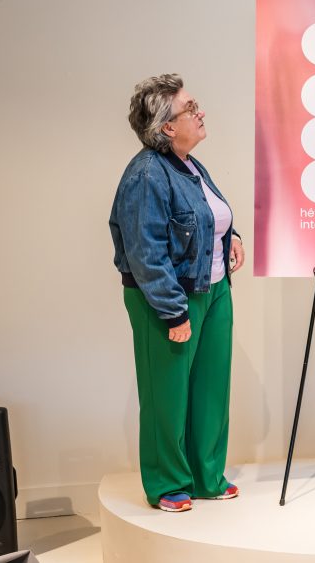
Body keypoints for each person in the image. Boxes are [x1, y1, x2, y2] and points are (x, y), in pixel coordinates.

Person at [109, 74, 245, 511]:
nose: (200, 112)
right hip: (168, 299)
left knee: (210, 390)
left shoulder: (189, 164)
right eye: (190, 108)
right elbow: (145, 252)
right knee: (165, 395)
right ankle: (168, 484)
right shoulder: (147, 174)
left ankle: (206, 476)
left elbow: (205, 216)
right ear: (167, 126)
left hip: (214, 290)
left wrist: (231, 237)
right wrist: (173, 312)